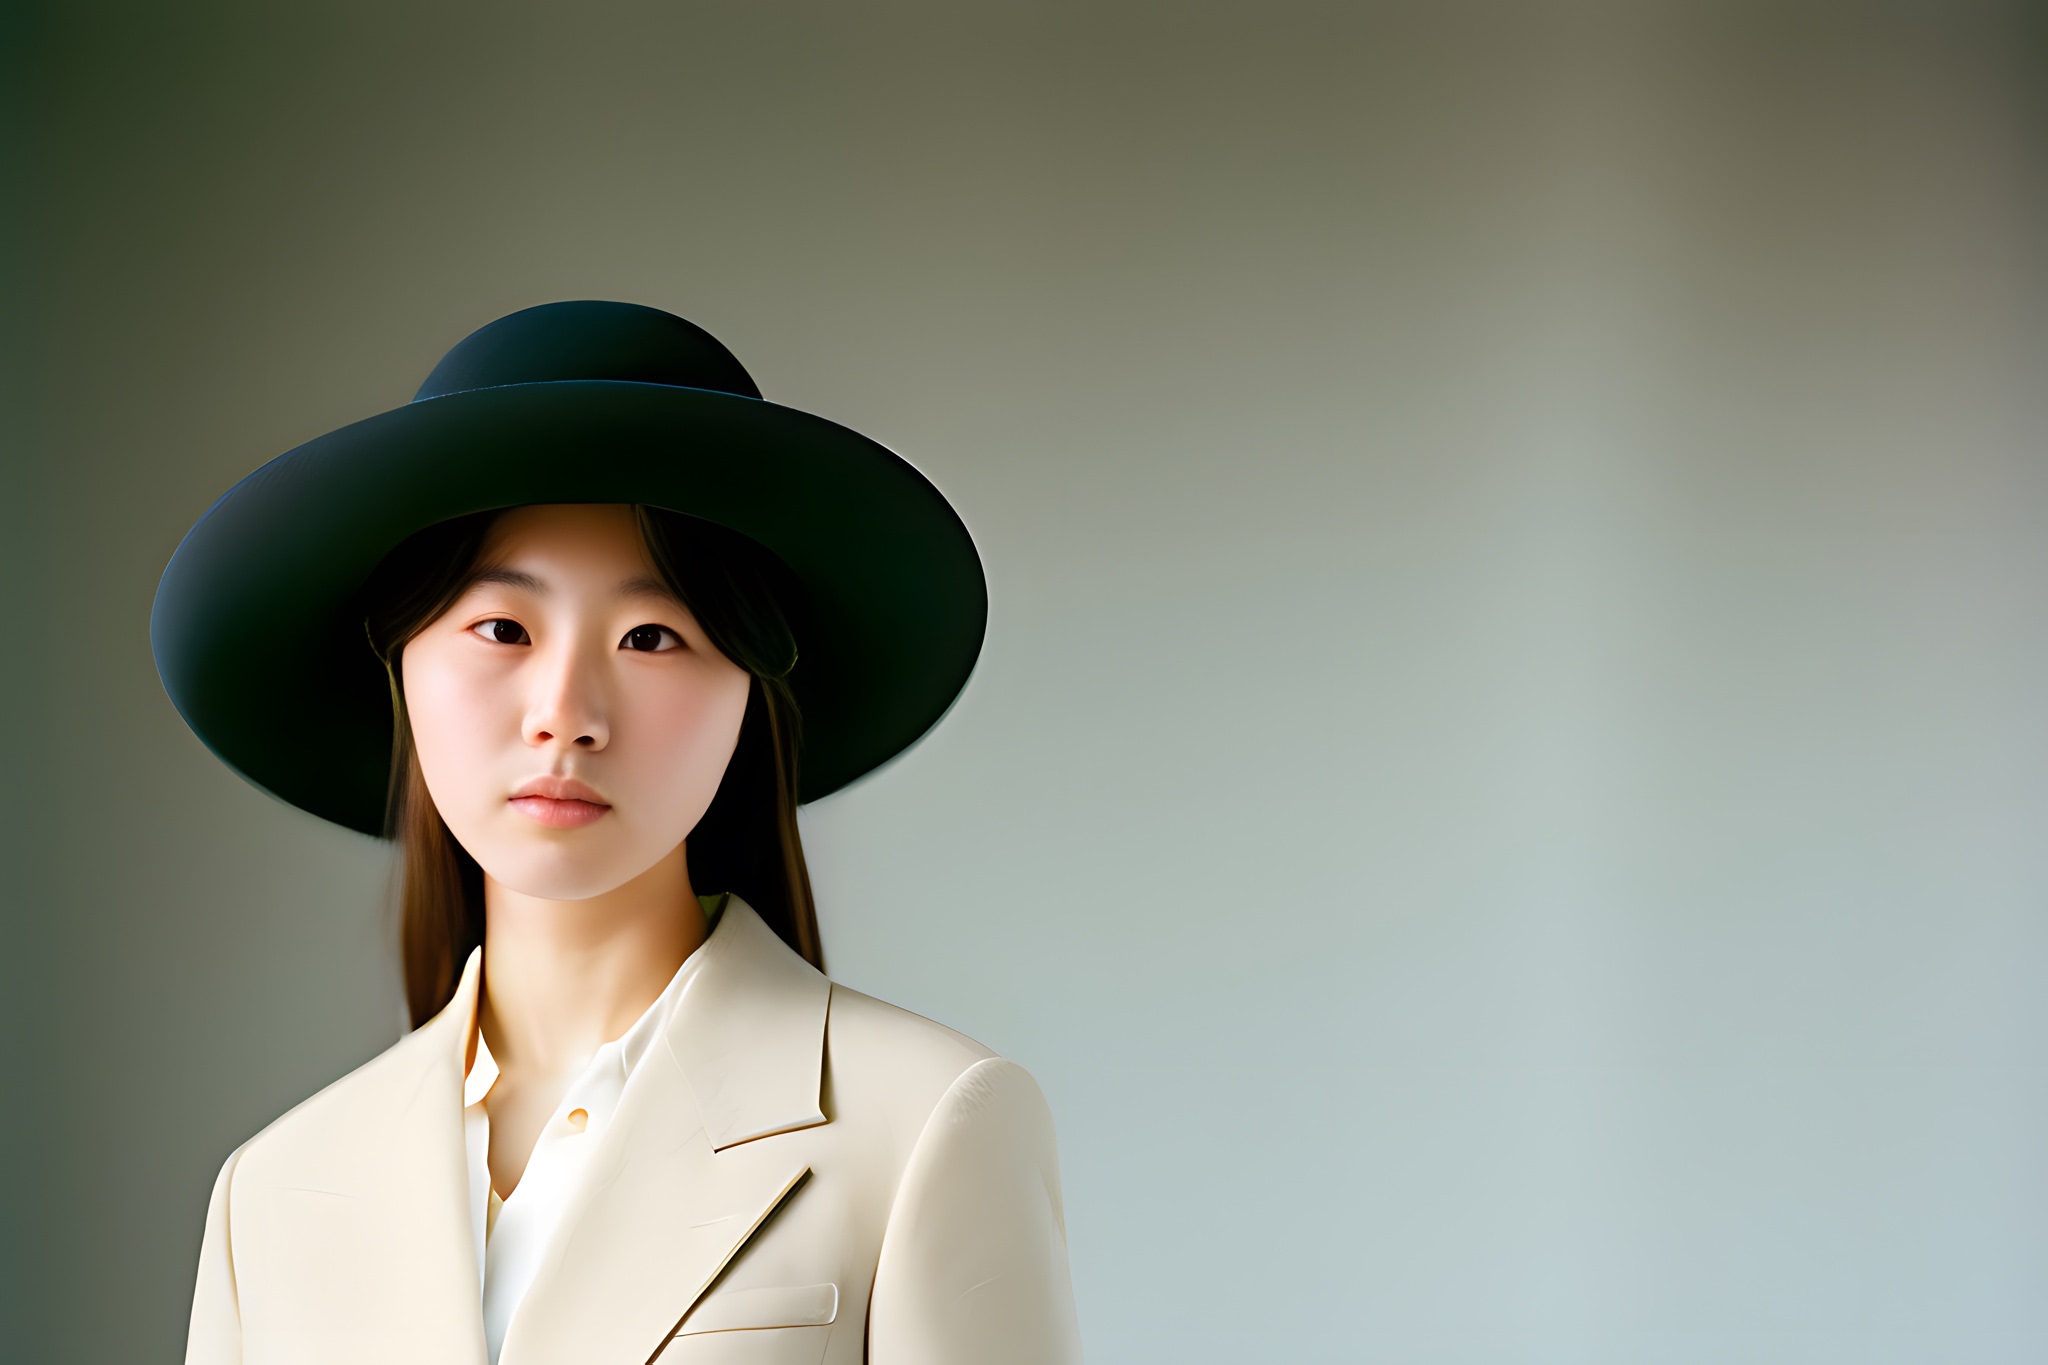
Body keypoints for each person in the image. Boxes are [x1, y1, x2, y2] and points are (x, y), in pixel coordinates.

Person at [154, 301, 1082, 1365]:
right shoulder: (273, 1191)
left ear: (746, 690)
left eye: (652, 636)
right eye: (501, 628)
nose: (567, 710)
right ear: (401, 668)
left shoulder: (923, 1124)